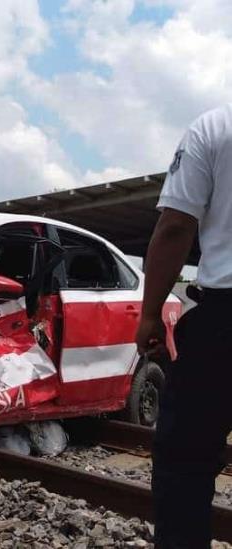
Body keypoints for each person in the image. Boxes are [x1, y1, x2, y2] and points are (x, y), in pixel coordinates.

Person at [136, 104, 232, 548]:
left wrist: (151, 313)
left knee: (185, 463)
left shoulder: (214, 127)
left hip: (223, 323)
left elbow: (176, 226)